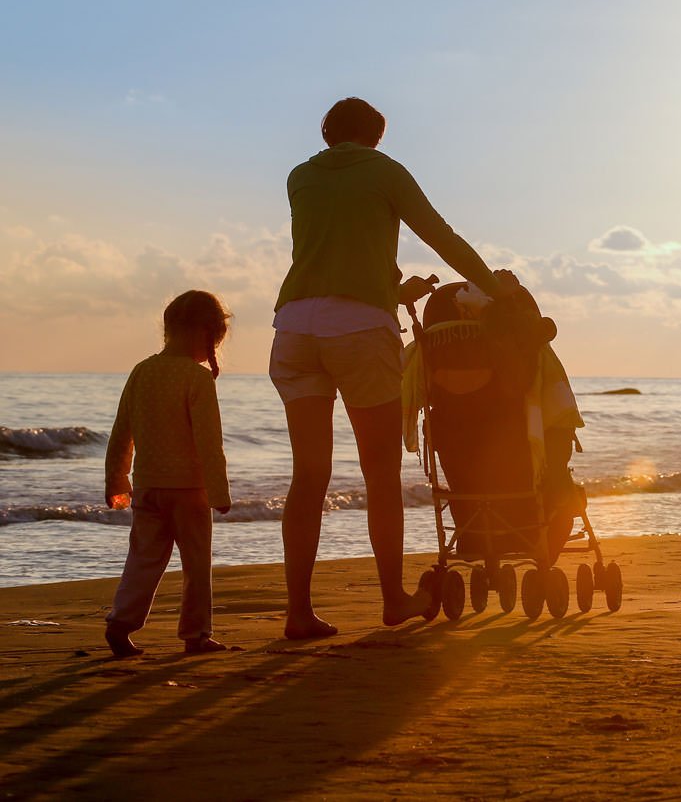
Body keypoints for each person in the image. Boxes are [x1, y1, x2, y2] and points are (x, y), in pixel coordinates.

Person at [270, 97, 503, 639]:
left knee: (308, 476)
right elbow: (441, 237)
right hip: (357, 331)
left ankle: (298, 612)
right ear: (377, 135)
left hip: (295, 326)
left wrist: (394, 292)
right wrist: (496, 289)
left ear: (328, 133)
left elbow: (331, 261)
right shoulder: (386, 172)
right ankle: (393, 599)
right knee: (380, 474)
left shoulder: (300, 176)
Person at [104, 290, 232, 657]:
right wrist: (219, 493)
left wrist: (118, 480)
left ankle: (121, 623)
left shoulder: (142, 371)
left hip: (147, 488)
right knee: (196, 565)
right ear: (204, 334)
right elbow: (210, 445)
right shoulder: (197, 379)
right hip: (190, 491)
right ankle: (196, 634)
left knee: (143, 559)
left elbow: (121, 433)